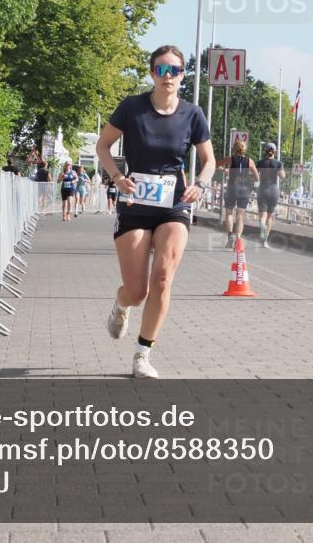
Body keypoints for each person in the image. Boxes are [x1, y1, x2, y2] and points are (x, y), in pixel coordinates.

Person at [95, 45, 214, 379]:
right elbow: (102, 145)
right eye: (161, 70)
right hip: (134, 204)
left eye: (174, 71)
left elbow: (210, 161)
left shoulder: (193, 114)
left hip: (173, 204)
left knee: (162, 279)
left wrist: (201, 185)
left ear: (182, 75)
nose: (168, 77)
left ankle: (142, 354)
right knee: (137, 291)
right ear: (151, 74)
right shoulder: (132, 108)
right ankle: (121, 306)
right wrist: (117, 177)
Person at [219, 138, 258, 249]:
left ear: (234, 148)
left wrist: (224, 170)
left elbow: (217, 164)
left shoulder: (230, 159)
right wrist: (248, 175)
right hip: (244, 189)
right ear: (244, 149)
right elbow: (256, 177)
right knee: (240, 216)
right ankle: (238, 238)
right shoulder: (250, 161)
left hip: (231, 187)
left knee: (229, 213)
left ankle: (230, 235)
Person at [255, 142, 285, 248]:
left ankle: (262, 230)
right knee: (270, 217)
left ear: (265, 151)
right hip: (273, 190)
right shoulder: (278, 163)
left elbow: (254, 175)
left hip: (262, 189)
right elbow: (282, 176)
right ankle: (265, 241)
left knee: (262, 216)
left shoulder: (260, 163)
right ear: (275, 152)